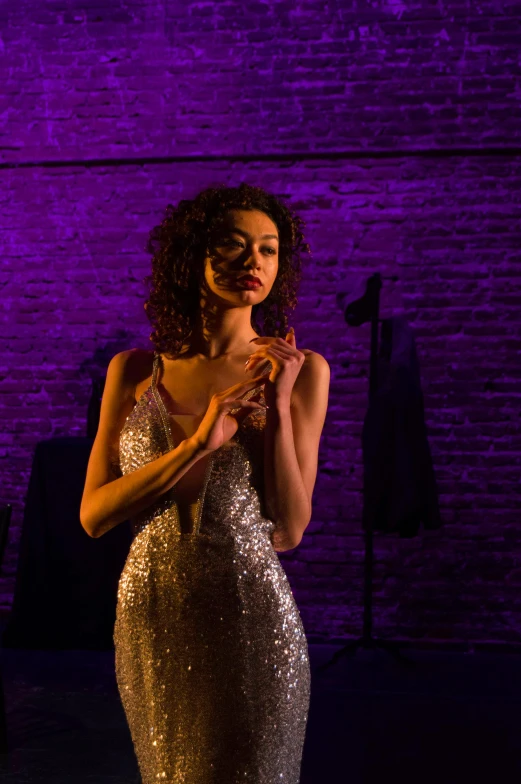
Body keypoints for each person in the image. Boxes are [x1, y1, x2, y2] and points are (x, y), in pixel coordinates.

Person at [80, 182, 330, 783]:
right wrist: (196, 445)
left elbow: (290, 529)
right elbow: (94, 516)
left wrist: (278, 403)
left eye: (269, 250)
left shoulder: (301, 370)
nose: (254, 263)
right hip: (152, 610)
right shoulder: (134, 371)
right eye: (235, 245)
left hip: (250, 614)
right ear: (192, 255)